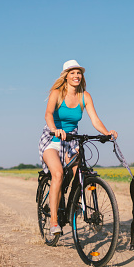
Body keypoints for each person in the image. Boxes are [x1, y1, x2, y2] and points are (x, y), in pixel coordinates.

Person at [38, 60, 118, 235]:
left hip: (72, 139)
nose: (76, 76)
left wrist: (107, 133)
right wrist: (55, 129)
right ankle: (53, 222)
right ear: (66, 76)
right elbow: (48, 114)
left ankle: (72, 204)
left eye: (79, 73)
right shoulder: (57, 93)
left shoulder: (85, 96)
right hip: (52, 139)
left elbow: (95, 120)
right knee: (58, 174)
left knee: (79, 172)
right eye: (72, 73)